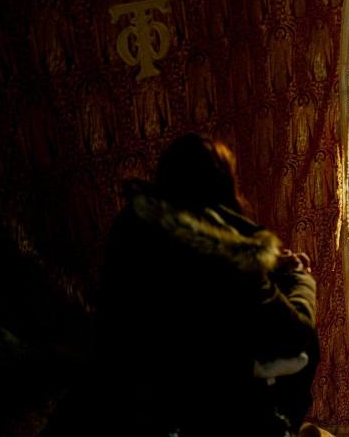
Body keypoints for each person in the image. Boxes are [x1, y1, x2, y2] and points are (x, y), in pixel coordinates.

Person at [90, 134, 319, 436]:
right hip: (211, 406)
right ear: (224, 188)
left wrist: (268, 267)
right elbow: (294, 334)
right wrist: (300, 278)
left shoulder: (133, 225)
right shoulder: (227, 251)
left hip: (135, 394)